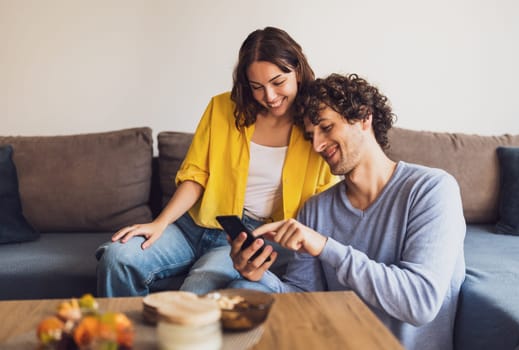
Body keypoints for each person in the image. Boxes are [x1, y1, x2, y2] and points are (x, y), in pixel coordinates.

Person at [228, 73, 466, 350]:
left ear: (365, 118)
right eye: (310, 135)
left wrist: (326, 247)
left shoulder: (431, 189)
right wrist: (260, 276)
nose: (317, 145)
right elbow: (304, 297)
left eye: (326, 128)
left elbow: (420, 303)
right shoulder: (316, 209)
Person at [95, 27, 338, 297]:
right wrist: (160, 223)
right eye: (257, 87)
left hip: (247, 238)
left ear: (299, 71)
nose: (269, 96)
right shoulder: (222, 108)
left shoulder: (318, 125)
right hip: (192, 227)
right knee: (117, 258)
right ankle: (124, 336)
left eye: (278, 82)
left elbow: (326, 195)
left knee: (198, 290)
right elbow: (197, 175)